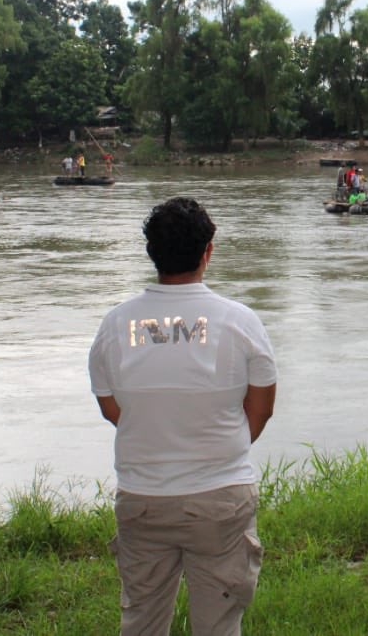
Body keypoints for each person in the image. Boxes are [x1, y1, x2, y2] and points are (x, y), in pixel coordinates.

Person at [90, 197, 278, 636]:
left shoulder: (115, 325)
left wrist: (157, 431)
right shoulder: (241, 322)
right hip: (220, 497)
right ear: (208, 251)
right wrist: (213, 444)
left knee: (141, 619)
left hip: (142, 497)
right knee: (218, 624)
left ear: (151, 252)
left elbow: (110, 407)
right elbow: (262, 408)